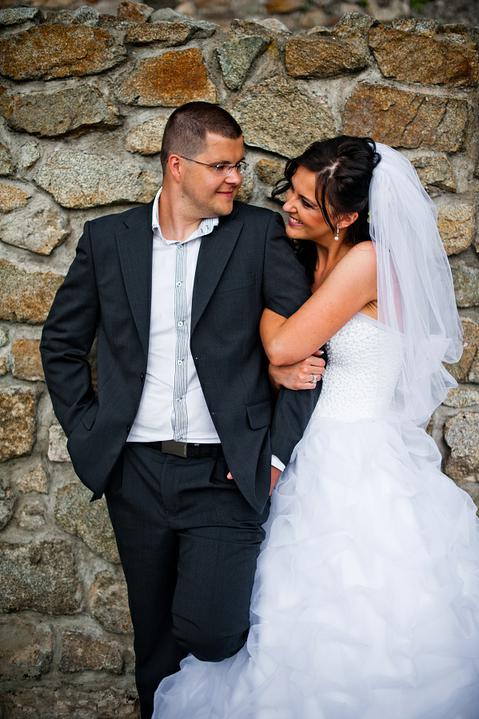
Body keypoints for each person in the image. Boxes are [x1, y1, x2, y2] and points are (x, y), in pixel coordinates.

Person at [152, 137, 479, 719]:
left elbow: (283, 342)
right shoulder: (305, 255)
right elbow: (281, 346)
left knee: (351, 612)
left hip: (355, 459)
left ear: (347, 218)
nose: (289, 206)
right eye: (292, 191)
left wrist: (278, 360)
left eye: (307, 202)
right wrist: (278, 368)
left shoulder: (366, 262)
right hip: (299, 444)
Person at [39, 102, 325, 719]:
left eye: (239, 165)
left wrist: (274, 456)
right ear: (176, 165)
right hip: (135, 473)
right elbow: (61, 344)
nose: (236, 178)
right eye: (221, 166)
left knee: (214, 632)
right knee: (154, 641)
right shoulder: (108, 241)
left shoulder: (259, 235)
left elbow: (308, 350)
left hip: (227, 472)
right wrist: (89, 431)